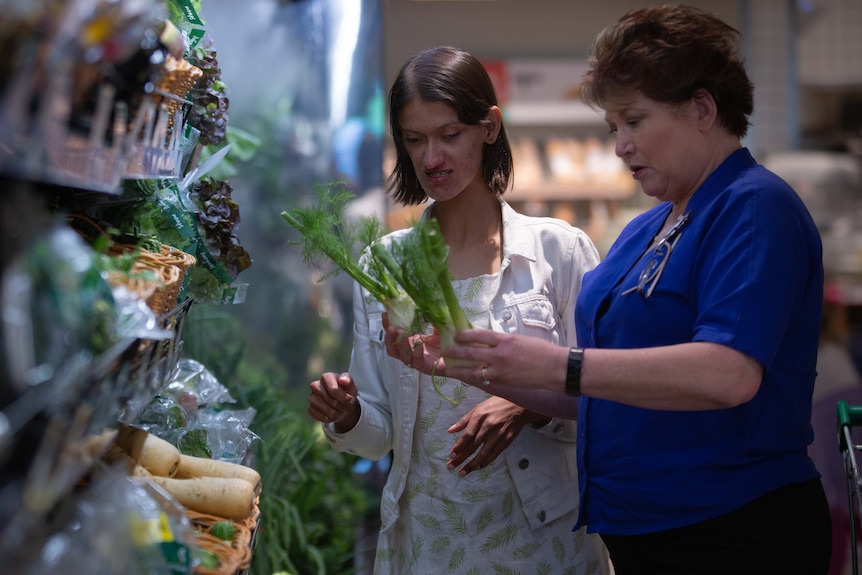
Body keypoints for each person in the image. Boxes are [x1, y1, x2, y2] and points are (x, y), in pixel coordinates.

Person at [434, 6, 832, 574]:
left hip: (732, 527)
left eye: (635, 121)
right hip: (648, 531)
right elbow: (600, 394)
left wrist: (558, 365)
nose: (620, 145)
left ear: (701, 108)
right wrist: (476, 362)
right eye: (613, 127)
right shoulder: (649, 227)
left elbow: (729, 373)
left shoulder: (752, 207)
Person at [307, 46, 610, 574]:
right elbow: (380, 435)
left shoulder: (559, 252)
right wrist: (349, 414)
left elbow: (610, 400)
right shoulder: (384, 265)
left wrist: (527, 405)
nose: (431, 159)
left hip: (544, 540)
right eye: (415, 139)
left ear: (489, 127)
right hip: (428, 541)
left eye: (450, 135)